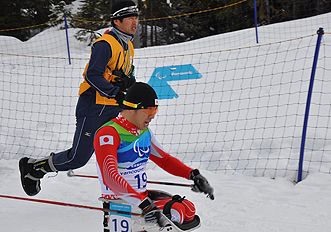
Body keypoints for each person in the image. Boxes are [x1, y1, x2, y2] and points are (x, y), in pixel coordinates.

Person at [19, 0, 139, 196]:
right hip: (94, 106)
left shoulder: (128, 45)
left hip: (114, 106)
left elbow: (124, 73)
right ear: (117, 21)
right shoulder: (105, 44)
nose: (135, 22)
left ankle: (123, 187)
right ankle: (34, 168)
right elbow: (92, 76)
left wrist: (129, 83)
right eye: (130, 18)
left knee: (125, 144)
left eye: (136, 17)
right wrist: (116, 92)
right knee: (78, 158)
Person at [94, 82, 214, 228]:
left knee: (187, 209)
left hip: (143, 199)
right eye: (149, 110)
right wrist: (142, 203)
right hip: (121, 203)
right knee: (176, 211)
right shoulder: (108, 133)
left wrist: (193, 175)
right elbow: (109, 176)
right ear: (133, 108)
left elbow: (164, 160)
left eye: (155, 111)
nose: (152, 116)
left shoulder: (144, 132)